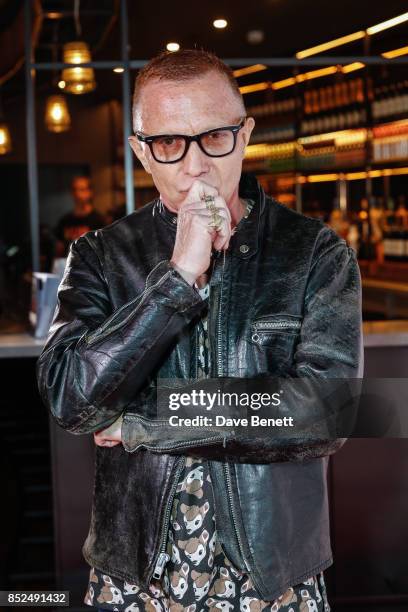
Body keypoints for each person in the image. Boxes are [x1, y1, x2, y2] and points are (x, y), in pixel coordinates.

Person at [36, 49, 363, 612]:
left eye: (215, 136)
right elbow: (71, 398)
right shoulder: (100, 256)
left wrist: (144, 421)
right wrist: (179, 279)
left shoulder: (314, 253)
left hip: (272, 574)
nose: (195, 165)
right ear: (142, 151)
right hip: (135, 573)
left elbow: (326, 412)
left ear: (246, 134)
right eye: (169, 143)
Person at [54, 175, 106, 258]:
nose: (78, 194)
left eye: (82, 190)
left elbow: (104, 252)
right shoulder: (64, 221)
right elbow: (59, 249)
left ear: (90, 192)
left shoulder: (99, 221)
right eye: (75, 190)